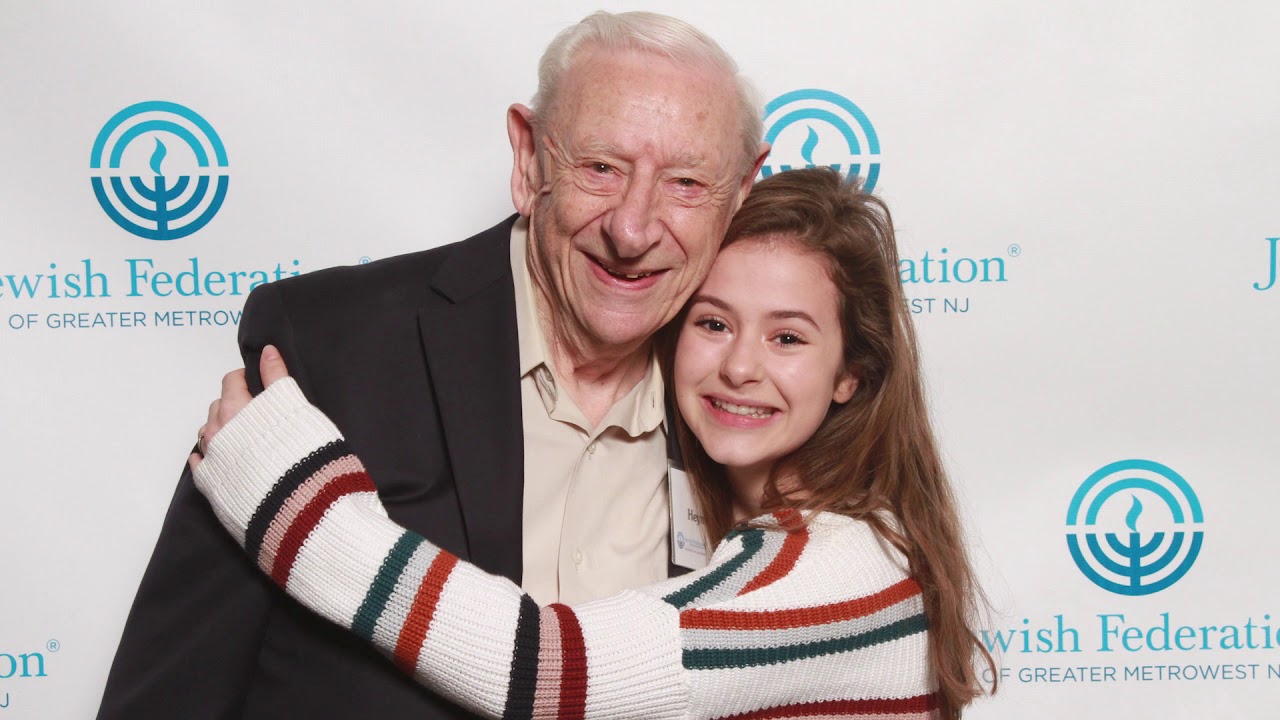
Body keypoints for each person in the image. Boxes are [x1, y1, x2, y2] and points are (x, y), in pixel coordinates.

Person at [97, 11, 769, 720]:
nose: (632, 229)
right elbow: (169, 693)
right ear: (529, 158)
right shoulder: (328, 348)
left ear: (742, 192)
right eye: (601, 168)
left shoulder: (752, 404)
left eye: (687, 183)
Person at [191, 169, 995, 719]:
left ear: (851, 373)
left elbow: (543, 668)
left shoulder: (842, 565)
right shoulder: (786, 539)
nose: (740, 367)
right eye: (714, 323)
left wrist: (301, 502)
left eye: (788, 337)